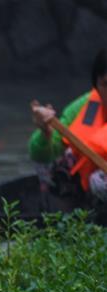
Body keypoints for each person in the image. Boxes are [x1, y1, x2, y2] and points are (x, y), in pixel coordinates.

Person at [29, 48, 107, 214]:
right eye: (106, 85)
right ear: (96, 86)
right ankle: (71, 219)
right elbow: (41, 156)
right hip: (88, 194)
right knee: (59, 165)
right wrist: (45, 133)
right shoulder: (84, 107)